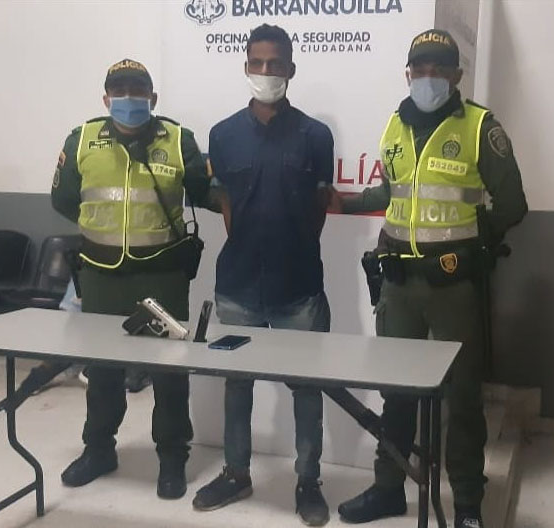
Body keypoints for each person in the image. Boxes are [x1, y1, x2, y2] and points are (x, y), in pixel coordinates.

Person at [332, 30, 528, 528]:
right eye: (419, 68)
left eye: (439, 68)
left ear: (457, 75)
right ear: (408, 74)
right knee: (396, 391)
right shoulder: (394, 125)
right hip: (398, 285)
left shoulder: (480, 127)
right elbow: (391, 193)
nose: (428, 77)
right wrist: (345, 203)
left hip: (453, 287)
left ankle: (467, 504)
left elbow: (512, 205)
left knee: (461, 397)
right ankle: (388, 488)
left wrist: (474, 245)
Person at [51, 58, 213, 500]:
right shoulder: (82, 139)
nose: (128, 97)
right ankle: (99, 450)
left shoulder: (178, 140)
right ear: (106, 99)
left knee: (169, 373)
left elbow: (204, 192)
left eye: (137, 90)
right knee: (102, 373)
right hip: (101, 277)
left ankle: (173, 457)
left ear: (152, 97)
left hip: (162, 276)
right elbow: (63, 199)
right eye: (119, 90)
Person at [192, 24, 334, 527]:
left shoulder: (316, 136)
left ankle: (308, 481)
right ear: (246, 67)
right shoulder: (223, 134)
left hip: (299, 287)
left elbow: (319, 206)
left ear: (291, 69)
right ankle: (236, 473)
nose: (266, 72)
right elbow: (226, 203)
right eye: (258, 63)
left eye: (275, 64)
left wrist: (293, 245)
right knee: (237, 386)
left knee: (307, 389)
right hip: (238, 287)